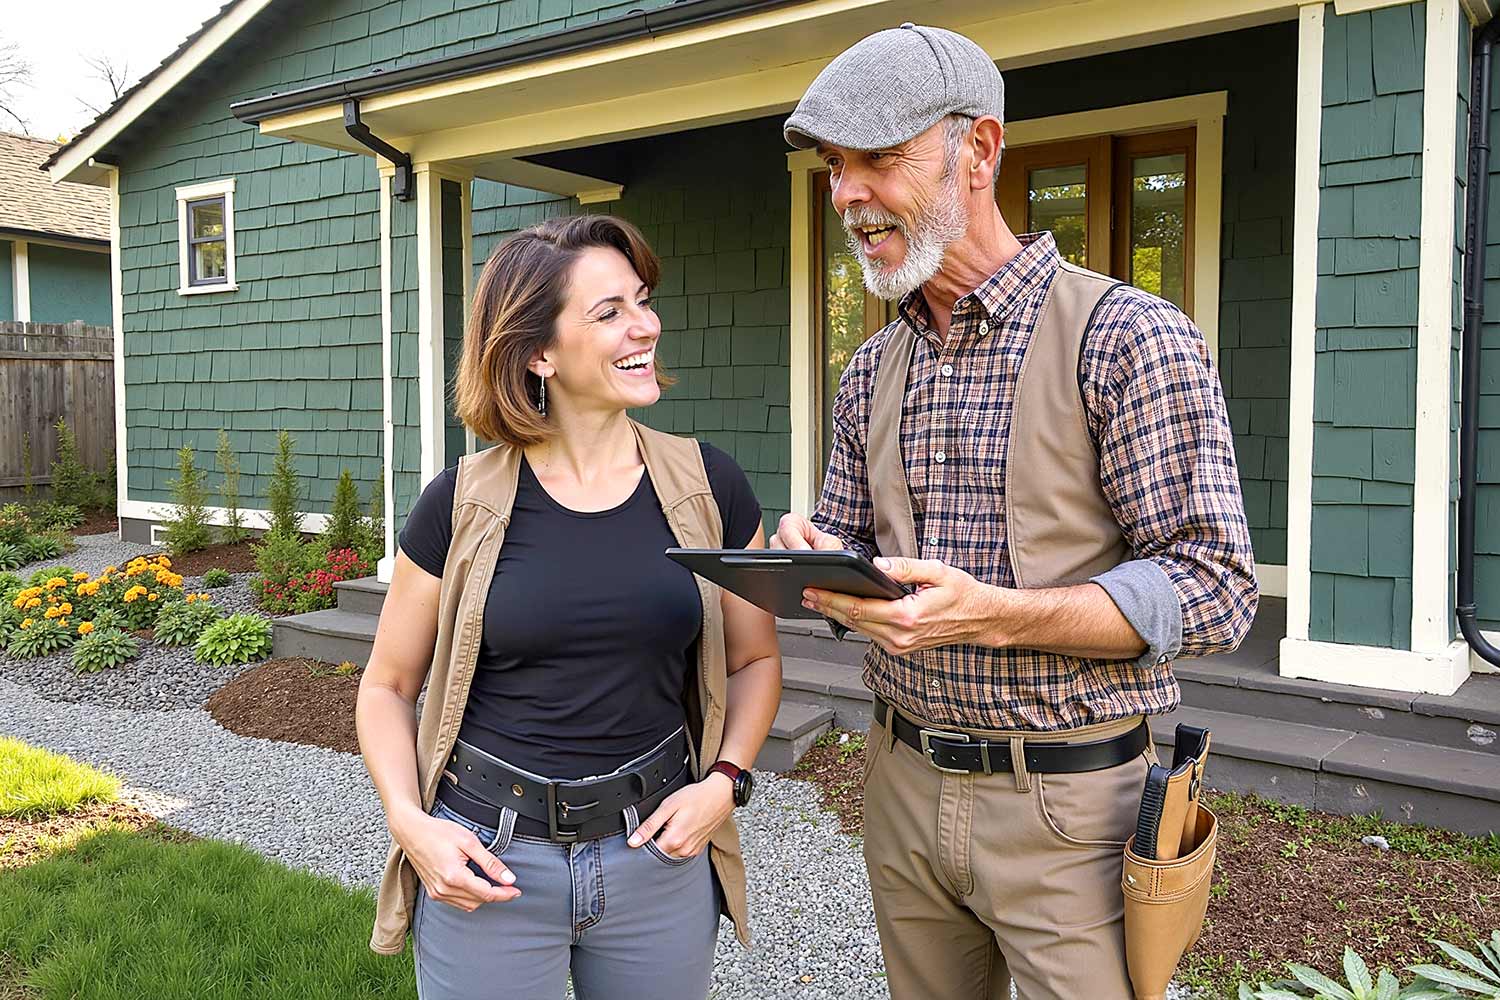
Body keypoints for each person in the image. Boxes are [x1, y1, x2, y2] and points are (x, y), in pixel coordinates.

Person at [775, 23, 1258, 1000]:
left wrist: (992, 611)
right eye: (835, 168)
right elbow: (857, 547)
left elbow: (1213, 591)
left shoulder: (1127, 339)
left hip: (1069, 807)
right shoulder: (871, 367)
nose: (847, 196)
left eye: (877, 159)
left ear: (979, 151)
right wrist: (818, 561)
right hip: (901, 786)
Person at [356, 215, 782, 999]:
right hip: (488, 856)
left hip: (658, 852)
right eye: (609, 311)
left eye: (643, 300)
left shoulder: (709, 486)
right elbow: (386, 685)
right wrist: (411, 825)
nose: (646, 324)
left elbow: (756, 659)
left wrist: (724, 781)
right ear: (537, 354)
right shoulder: (459, 504)